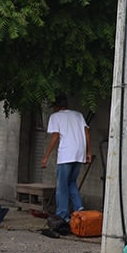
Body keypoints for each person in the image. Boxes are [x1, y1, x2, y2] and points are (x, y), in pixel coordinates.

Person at [39, 93, 91, 236]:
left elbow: (55, 136)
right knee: (71, 183)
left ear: (56, 107)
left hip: (66, 155)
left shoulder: (55, 117)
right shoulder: (78, 115)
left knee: (62, 186)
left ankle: (62, 216)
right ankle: (79, 212)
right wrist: (88, 152)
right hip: (79, 154)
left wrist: (46, 157)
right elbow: (87, 134)